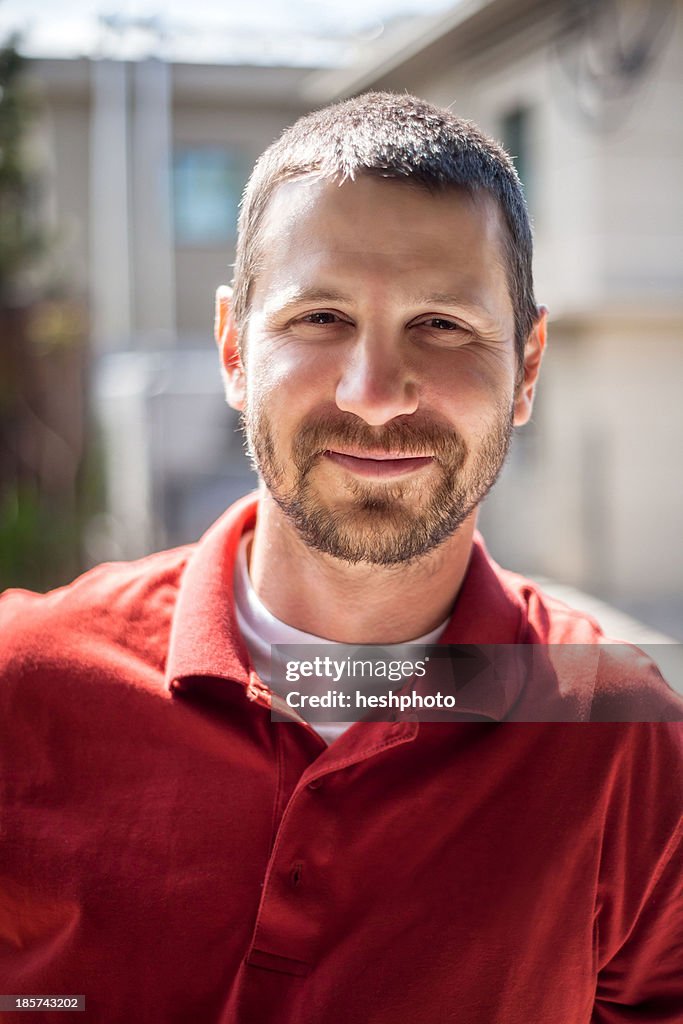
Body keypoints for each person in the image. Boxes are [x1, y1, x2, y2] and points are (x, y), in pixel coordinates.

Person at [0, 92, 681, 1023]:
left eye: (440, 325)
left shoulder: (628, 741)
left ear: (525, 368)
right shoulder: (22, 688)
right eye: (320, 317)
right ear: (235, 349)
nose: (371, 396)